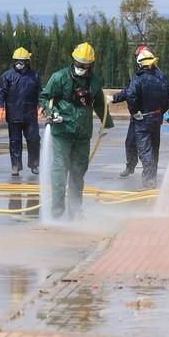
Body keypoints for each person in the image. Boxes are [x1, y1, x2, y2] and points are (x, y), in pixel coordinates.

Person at [39, 42, 113, 219]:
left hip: (83, 133)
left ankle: (75, 210)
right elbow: (44, 97)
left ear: (91, 65)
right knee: (59, 171)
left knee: (78, 172)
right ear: (73, 61)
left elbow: (100, 103)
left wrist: (106, 124)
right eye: (79, 64)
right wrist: (51, 112)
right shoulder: (60, 78)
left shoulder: (94, 82)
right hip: (62, 131)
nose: (81, 68)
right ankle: (57, 212)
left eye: (85, 65)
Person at [122, 48, 169, 189]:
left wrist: (134, 111)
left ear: (140, 64)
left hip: (142, 119)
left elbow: (131, 95)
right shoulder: (162, 77)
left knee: (145, 151)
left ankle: (149, 183)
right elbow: (168, 100)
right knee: (154, 149)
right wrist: (160, 112)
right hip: (156, 119)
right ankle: (152, 180)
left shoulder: (138, 77)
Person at [0, 47, 41, 176]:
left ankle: (34, 164)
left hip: (30, 115)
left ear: (27, 61)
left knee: (34, 140)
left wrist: (42, 106)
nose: (19, 63)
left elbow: (40, 93)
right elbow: (1, 93)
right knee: (15, 142)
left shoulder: (34, 76)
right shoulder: (7, 76)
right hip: (14, 114)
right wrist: (0, 107)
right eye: (17, 61)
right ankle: (15, 166)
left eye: (22, 61)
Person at [111, 44, 149, 178]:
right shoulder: (138, 75)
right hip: (137, 115)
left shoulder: (155, 75)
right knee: (130, 141)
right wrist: (114, 98)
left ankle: (149, 173)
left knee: (147, 147)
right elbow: (130, 92)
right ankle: (130, 165)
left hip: (148, 116)